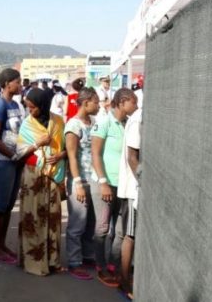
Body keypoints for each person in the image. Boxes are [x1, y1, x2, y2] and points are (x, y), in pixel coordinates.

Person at [91, 88, 138, 288]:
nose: (136, 106)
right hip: (105, 184)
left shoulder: (129, 124)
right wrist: (103, 182)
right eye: (133, 102)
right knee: (102, 228)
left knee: (120, 230)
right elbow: (95, 154)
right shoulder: (105, 122)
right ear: (122, 102)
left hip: (122, 186)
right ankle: (100, 267)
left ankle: (114, 264)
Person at [16, 88, 66, 276]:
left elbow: (66, 148)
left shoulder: (59, 122)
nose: (30, 111)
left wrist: (61, 154)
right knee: (33, 216)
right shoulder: (26, 125)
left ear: (43, 105)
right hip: (33, 175)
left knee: (52, 218)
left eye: (33, 107)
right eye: (28, 107)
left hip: (53, 175)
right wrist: (38, 143)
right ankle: (34, 262)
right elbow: (19, 152)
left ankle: (52, 261)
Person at [0, 68, 24, 264]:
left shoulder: (16, 104)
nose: (20, 85)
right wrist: (11, 155)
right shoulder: (0, 105)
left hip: (15, 159)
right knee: (1, 204)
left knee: (9, 204)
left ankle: (1, 244)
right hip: (3, 161)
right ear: (7, 83)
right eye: (17, 82)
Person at [64, 87, 100, 280]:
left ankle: (88, 256)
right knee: (77, 223)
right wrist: (77, 183)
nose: (99, 105)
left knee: (91, 222)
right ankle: (74, 261)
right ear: (86, 103)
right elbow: (72, 157)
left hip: (93, 179)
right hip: (80, 180)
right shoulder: (73, 126)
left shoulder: (94, 122)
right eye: (96, 102)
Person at [117, 96, 142, 299]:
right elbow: (131, 156)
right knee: (130, 235)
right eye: (133, 101)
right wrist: (141, 180)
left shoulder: (137, 117)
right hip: (135, 189)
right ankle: (124, 281)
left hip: (138, 187)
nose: (137, 105)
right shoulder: (137, 119)